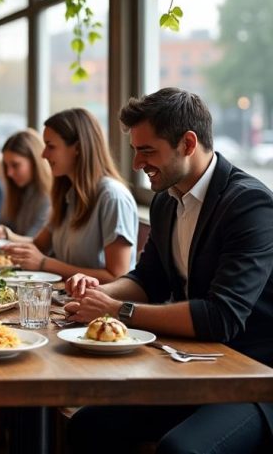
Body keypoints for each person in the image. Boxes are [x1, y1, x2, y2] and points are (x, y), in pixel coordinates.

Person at [64, 88, 273, 453]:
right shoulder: (165, 201)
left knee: (181, 449)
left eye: (147, 151)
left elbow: (221, 317)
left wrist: (118, 311)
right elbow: (147, 279)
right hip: (195, 365)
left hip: (254, 378)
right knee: (89, 424)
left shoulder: (249, 205)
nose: (136, 164)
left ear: (188, 143)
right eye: (135, 150)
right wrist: (96, 294)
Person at [0, 109, 137, 282]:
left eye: (51, 146)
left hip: (98, 305)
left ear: (77, 148)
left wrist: (44, 264)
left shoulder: (112, 197)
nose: (43, 154)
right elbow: (38, 246)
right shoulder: (67, 194)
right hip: (64, 298)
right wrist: (4, 234)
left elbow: (117, 276)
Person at [0, 129, 51, 238]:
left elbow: (35, 241)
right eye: (6, 166)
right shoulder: (19, 191)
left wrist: (4, 233)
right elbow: (7, 225)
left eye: (15, 165)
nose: (9, 173)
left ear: (35, 162)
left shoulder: (47, 198)